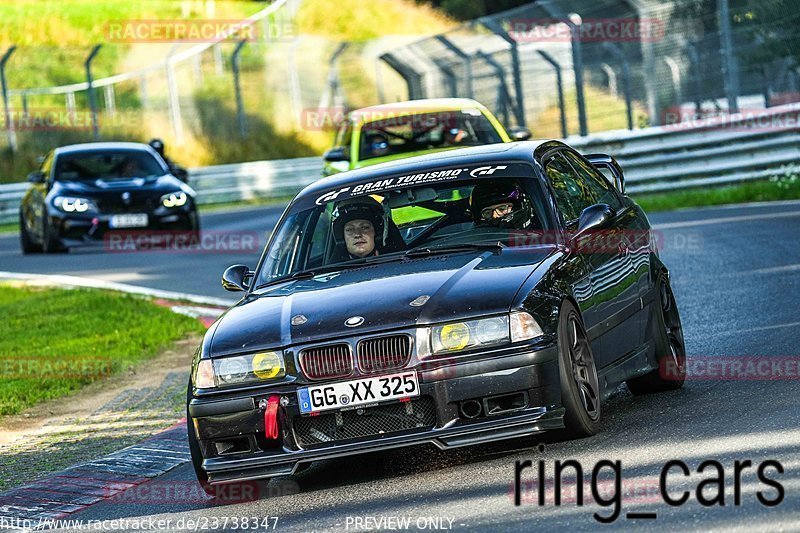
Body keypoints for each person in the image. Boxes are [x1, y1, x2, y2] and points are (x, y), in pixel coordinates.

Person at [469, 179, 535, 229]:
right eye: (487, 212)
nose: (495, 216)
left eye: (502, 209)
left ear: (518, 206)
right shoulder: (469, 240)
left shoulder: (541, 238)